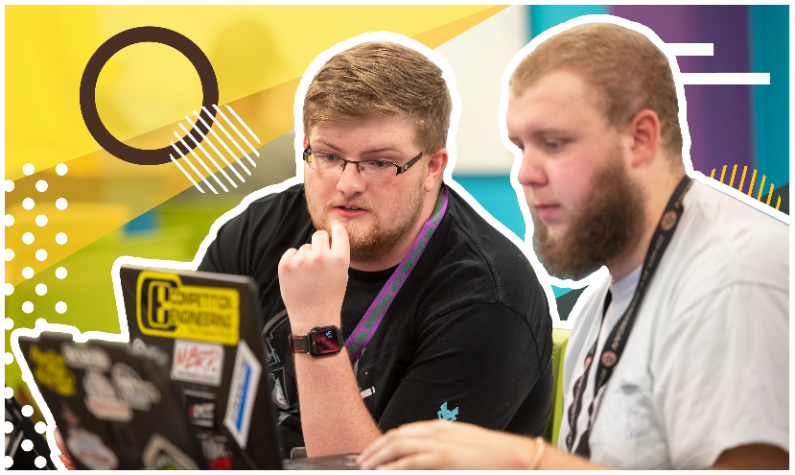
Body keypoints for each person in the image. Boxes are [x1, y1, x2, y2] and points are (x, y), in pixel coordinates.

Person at [356, 20, 788, 470]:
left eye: (554, 143)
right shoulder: (605, 297)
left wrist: (526, 460)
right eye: (521, 147)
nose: (525, 174)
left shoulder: (738, 278)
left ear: (640, 139)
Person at [198, 38, 554, 459]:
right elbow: (185, 392)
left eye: (380, 162)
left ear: (432, 168)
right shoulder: (258, 230)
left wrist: (316, 325)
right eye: (328, 156)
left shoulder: (489, 302)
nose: (347, 184)